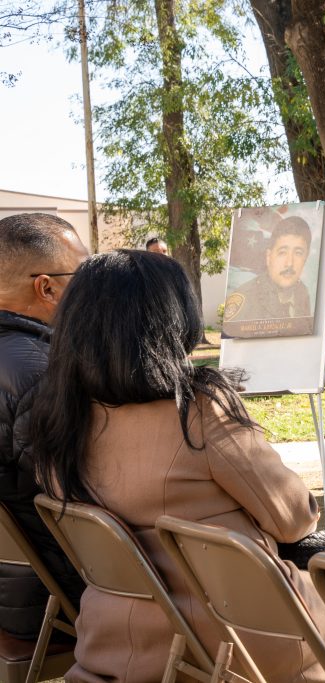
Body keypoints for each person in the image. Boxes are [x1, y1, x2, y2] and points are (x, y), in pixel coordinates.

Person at [29, 250, 325, 682]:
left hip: (116, 643)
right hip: (240, 645)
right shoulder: (197, 411)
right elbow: (294, 518)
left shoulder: (59, 418)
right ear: (174, 320)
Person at [0, 213, 88, 639]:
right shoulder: (43, 371)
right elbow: (84, 501)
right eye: (85, 274)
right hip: (52, 599)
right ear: (47, 287)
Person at [224, 216, 312, 322]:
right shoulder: (246, 297)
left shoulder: (302, 293)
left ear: (305, 258)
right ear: (269, 257)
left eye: (298, 253)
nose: (289, 263)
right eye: (282, 252)